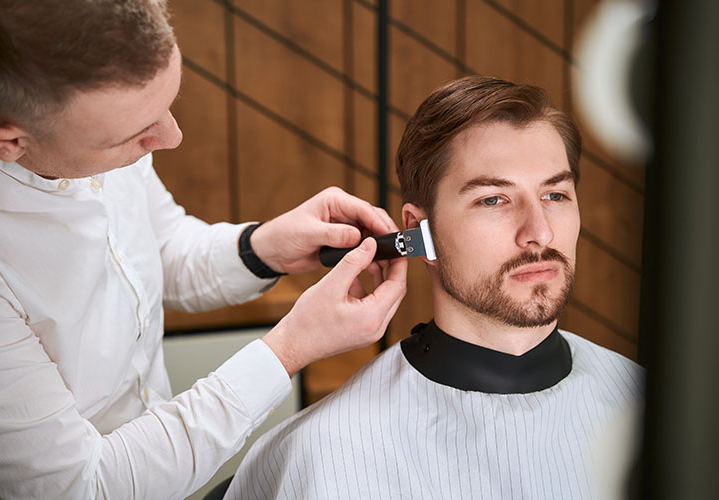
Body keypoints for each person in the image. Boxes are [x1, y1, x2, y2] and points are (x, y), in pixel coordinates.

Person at [0, 1, 407, 499]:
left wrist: (262, 248)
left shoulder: (98, 131)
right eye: (135, 134)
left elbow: (157, 247)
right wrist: (289, 349)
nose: (172, 136)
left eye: (168, 102)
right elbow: (83, 487)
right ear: (10, 141)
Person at [227, 76, 645, 499]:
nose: (538, 233)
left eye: (555, 195)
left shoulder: (654, 409)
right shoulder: (325, 450)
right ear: (417, 231)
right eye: (492, 200)